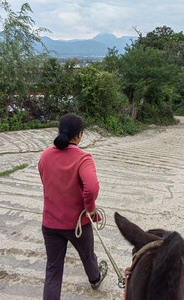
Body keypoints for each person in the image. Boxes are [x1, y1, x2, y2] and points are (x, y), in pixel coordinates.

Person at [38, 113, 107, 300]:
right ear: (79, 135)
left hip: (50, 223)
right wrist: (90, 207)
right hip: (78, 224)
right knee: (88, 256)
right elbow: (91, 188)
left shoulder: (44, 156)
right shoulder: (83, 158)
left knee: (53, 269)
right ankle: (95, 279)